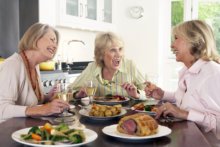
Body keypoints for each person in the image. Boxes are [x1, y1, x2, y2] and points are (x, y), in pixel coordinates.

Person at [145, 20, 220, 138]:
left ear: (194, 41)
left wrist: (184, 114)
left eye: (176, 38)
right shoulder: (188, 69)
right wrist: (163, 94)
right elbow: (192, 100)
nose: (172, 45)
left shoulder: (213, 74)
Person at [0, 23, 69, 122]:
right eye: (52, 40)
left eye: (56, 42)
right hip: (5, 132)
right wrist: (42, 109)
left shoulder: (35, 66)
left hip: (22, 129)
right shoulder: (13, 65)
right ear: (35, 38)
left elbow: (29, 101)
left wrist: (47, 97)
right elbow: (1, 109)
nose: (55, 45)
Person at [68, 32, 146, 99]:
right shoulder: (92, 67)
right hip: (99, 115)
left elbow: (150, 93)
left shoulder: (130, 66)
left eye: (120, 49)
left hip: (128, 115)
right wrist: (78, 95)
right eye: (113, 50)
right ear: (101, 54)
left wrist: (137, 94)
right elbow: (70, 90)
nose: (119, 54)